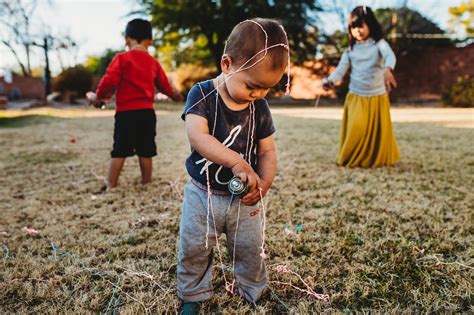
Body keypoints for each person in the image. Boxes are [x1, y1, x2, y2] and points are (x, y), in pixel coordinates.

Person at [177, 18, 290, 313]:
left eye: (267, 89)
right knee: (194, 248)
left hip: (244, 198)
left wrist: (263, 185)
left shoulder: (260, 107)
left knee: (251, 250)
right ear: (227, 64)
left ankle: (253, 290)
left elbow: (267, 152)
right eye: (253, 86)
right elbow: (197, 136)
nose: (260, 95)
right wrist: (237, 162)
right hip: (204, 193)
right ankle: (193, 293)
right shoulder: (201, 94)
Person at [92, 19, 183, 190]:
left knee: (119, 149)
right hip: (147, 114)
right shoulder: (153, 62)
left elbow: (109, 81)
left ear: (127, 40)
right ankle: (146, 183)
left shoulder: (121, 58)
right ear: (150, 41)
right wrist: (175, 96)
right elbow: (164, 86)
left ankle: (111, 185)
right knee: (146, 150)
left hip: (126, 114)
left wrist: (99, 96)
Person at [323, 6, 400, 168]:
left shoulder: (379, 44)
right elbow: (340, 70)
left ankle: (372, 160)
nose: (357, 30)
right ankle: (349, 158)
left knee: (375, 132)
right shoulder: (350, 50)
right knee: (356, 127)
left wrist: (388, 69)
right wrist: (330, 81)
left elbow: (390, 56)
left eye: (361, 25)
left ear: (370, 25)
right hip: (356, 95)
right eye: (353, 27)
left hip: (377, 96)